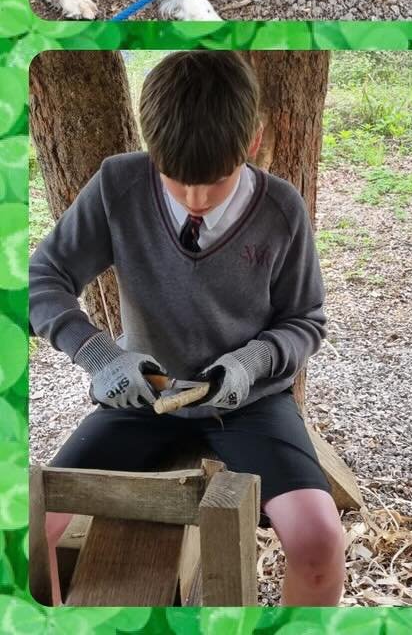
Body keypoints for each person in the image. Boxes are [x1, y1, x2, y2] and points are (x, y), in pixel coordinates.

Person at [30, 52, 345, 606]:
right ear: (152, 152)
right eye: (175, 181)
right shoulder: (118, 185)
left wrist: (252, 361)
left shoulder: (281, 209)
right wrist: (100, 356)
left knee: (320, 546)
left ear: (252, 143)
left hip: (248, 404)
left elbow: (305, 321)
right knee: (28, 537)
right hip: (143, 397)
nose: (196, 201)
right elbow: (42, 279)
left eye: (216, 182)